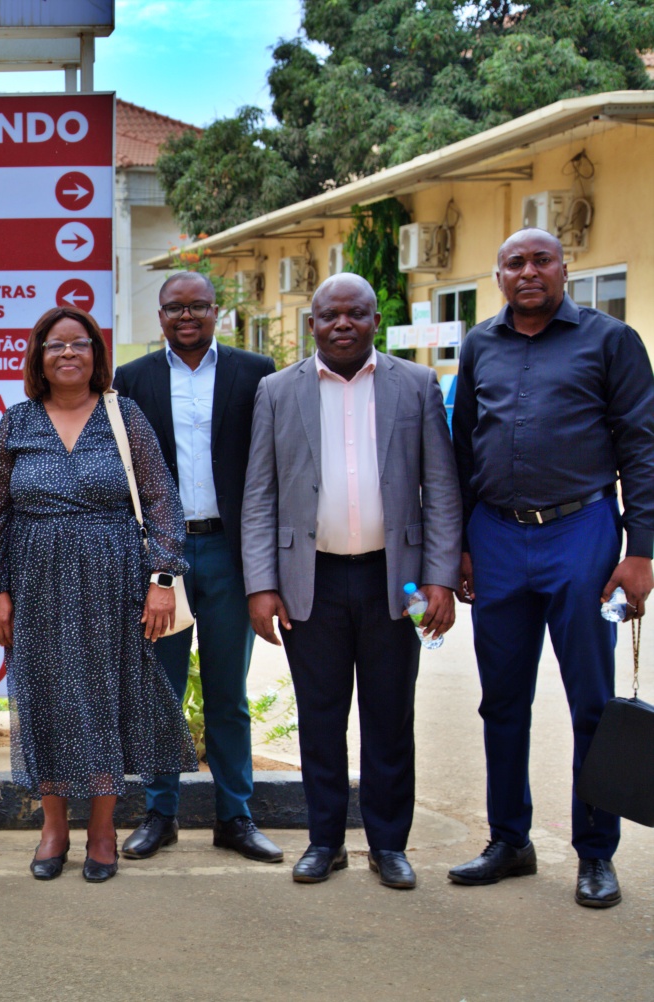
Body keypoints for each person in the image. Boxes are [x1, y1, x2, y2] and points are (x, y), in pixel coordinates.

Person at [449, 228, 654, 909]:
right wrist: (461, 546)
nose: (528, 271)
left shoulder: (610, 340)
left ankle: (595, 854)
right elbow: (461, 449)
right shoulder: (479, 344)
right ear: (498, 274)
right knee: (501, 701)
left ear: (566, 268)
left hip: (583, 532)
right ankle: (510, 840)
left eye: (542, 260)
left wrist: (640, 551)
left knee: (591, 703)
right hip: (498, 536)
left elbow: (641, 448)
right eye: (514, 262)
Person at [243, 273, 459, 890]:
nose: (343, 324)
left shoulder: (414, 384)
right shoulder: (277, 391)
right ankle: (325, 841)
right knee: (320, 717)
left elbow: (440, 488)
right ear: (312, 323)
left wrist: (439, 576)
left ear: (374, 320)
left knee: (390, 719)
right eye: (330, 315)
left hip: (397, 581)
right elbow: (260, 494)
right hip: (311, 582)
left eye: (356, 314)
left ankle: (389, 846)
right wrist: (262, 583)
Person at [0, 306, 198, 882]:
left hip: (114, 579)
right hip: (35, 581)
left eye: (79, 344)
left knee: (107, 698)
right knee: (45, 698)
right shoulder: (17, 422)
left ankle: (102, 829)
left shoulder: (123, 416)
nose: (68, 354)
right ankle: (53, 828)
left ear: (96, 355)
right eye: (55, 346)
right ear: (39, 357)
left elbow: (162, 503)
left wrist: (161, 580)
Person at [112, 272, 282, 865]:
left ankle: (236, 815)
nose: (186, 316)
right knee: (160, 688)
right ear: (159, 316)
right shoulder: (131, 380)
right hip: (160, 555)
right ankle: (161, 813)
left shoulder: (255, 373)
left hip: (230, 553)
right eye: (174, 308)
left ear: (217, 312)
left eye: (198, 306)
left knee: (227, 693)